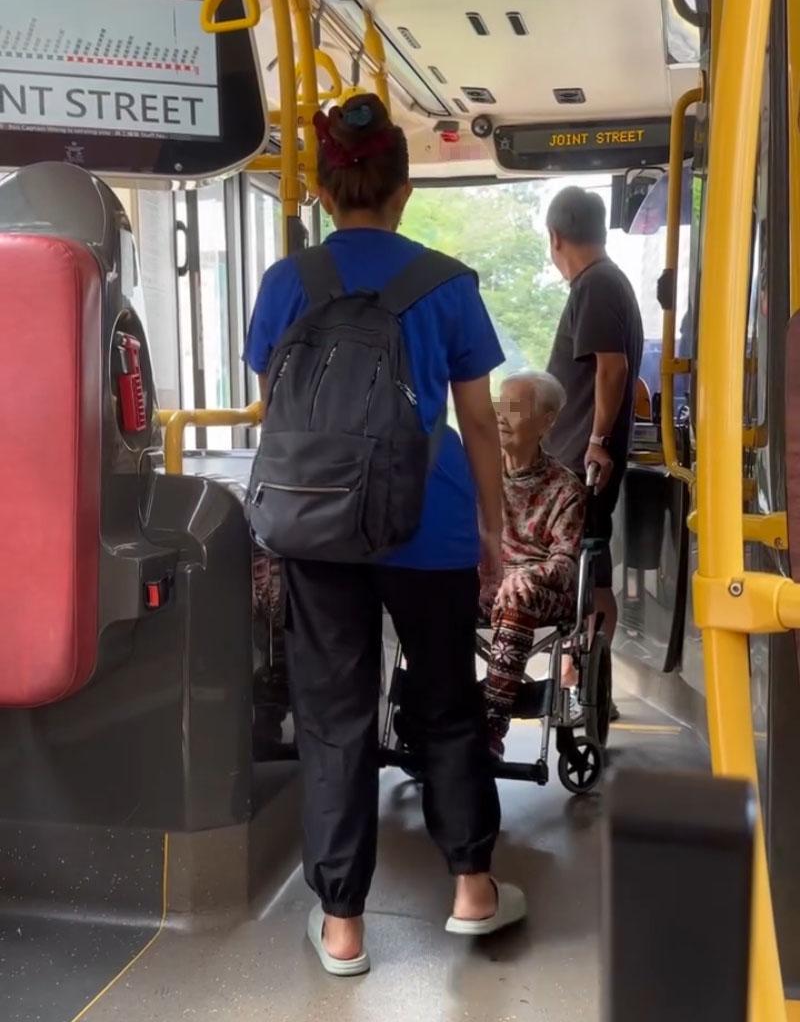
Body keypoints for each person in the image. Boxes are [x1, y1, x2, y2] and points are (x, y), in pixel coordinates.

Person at [245, 94, 525, 976]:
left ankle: (342, 928)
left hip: (318, 529)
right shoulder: (448, 282)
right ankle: (473, 891)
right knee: (446, 703)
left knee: (333, 717)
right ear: (404, 190)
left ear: (327, 194)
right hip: (430, 525)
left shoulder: (287, 283)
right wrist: (493, 530)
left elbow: (276, 403)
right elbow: (481, 425)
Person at [544, 186, 644, 718]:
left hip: (583, 462)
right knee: (594, 564)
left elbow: (613, 367)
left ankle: (584, 678)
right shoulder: (605, 284)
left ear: (555, 238)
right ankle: (590, 681)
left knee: (585, 562)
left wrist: (599, 442)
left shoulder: (597, 285)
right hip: (581, 460)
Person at [483, 373, 586, 757]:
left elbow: (564, 561)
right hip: (485, 585)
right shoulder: (479, 474)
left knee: (517, 598)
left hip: (540, 593)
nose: (501, 415)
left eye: (516, 408)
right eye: (499, 404)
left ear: (546, 422)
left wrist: (523, 574)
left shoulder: (565, 488)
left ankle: (492, 726)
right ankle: (433, 712)